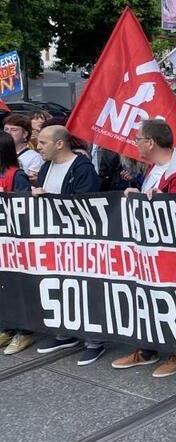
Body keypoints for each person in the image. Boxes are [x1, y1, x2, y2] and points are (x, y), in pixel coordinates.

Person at [110, 119, 176, 375]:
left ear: (150, 142)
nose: (135, 143)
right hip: (149, 247)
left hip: (173, 251)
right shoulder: (156, 167)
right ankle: (148, 350)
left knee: (173, 299)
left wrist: (165, 202)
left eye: (138, 139)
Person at [32, 125, 104, 364]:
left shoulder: (83, 170)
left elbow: (85, 207)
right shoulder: (46, 168)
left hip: (79, 244)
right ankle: (65, 334)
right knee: (57, 286)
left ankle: (94, 340)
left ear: (59, 144)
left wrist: (48, 199)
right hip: (53, 241)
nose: (38, 147)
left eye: (43, 143)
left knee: (84, 289)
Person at [0, 131, 33, 356]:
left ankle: (24, 330)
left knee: (16, 285)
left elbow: (24, 209)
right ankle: (8, 326)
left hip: (14, 242)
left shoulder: (17, 175)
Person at [3, 113, 43, 182]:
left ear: (25, 134)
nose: (8, 133)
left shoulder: (35, 158)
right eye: (6, 129)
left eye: (14, 130)